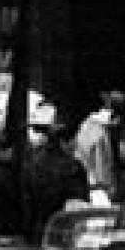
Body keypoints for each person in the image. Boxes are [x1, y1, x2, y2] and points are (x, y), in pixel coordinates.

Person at [21, 98, 90, 238]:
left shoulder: (29, 163)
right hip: (60, 235)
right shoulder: (73, 168)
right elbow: (78, 211)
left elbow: (26, 205)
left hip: (35, 233)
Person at [73, 88, 125, 199]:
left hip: (91, 184)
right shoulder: (101, 133)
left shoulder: (87, 125)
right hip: (98, 188)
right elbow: (102, 169)